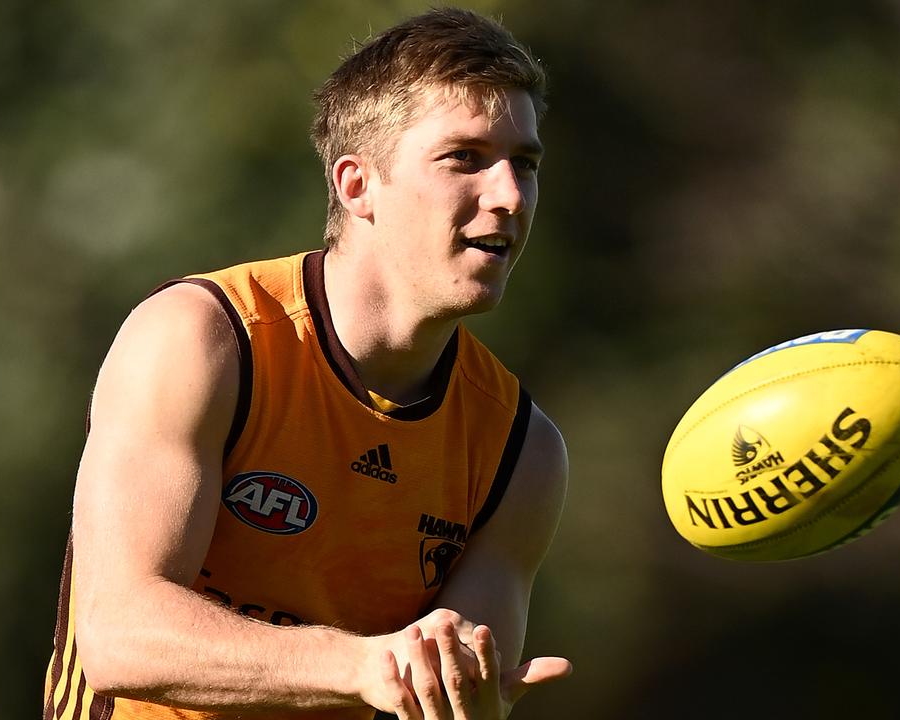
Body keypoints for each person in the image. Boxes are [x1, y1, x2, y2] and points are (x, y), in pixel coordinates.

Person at [44, 8, 571, 720]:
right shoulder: (206, 338)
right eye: (465, 159)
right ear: (357, 186)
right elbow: (118, 638)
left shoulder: (521, 449)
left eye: (526, 165)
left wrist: (461, 702)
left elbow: (452, 699)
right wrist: (365, 665)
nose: (510, 196)